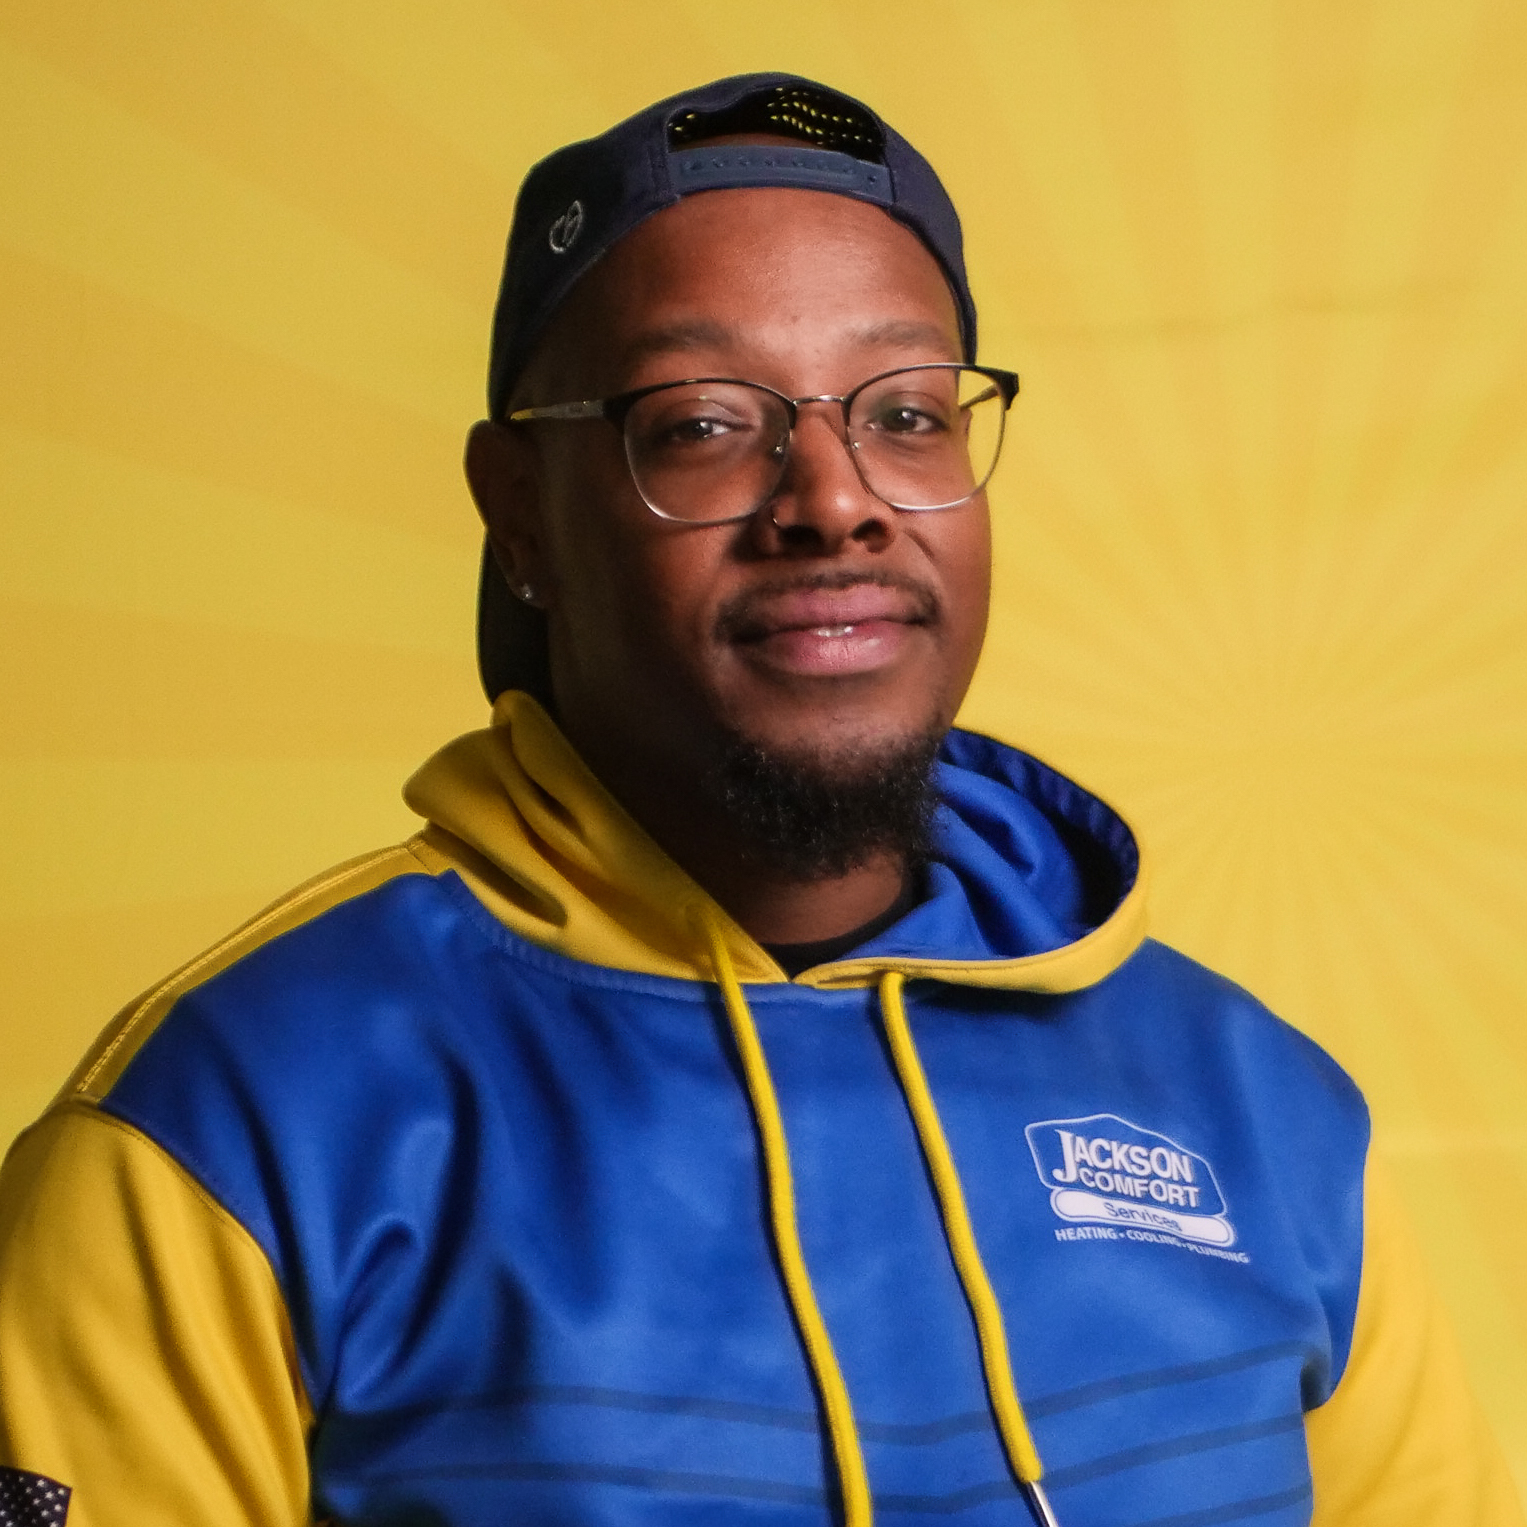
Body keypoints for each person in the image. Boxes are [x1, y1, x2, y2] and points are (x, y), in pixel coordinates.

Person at [0, 72, 1518, 1527]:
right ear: (519, 515)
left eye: (909, 412)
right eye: (705, 422)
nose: (836, 497)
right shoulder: (230, 1128)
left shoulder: (1264, 1110)